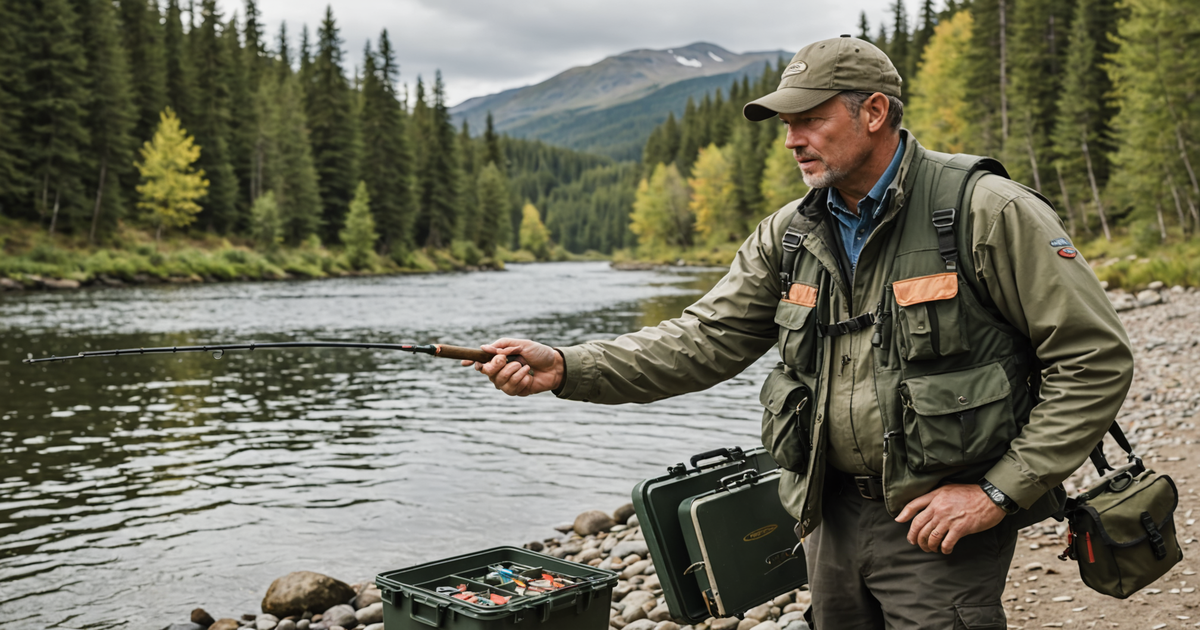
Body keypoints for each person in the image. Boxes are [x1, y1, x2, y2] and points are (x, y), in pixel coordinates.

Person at [465, 35, 1133, 629]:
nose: (791, 140)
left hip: (939, 519)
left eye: (810, 119)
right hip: (823, 514)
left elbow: (1093, 360)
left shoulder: (985, 210)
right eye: (786, 124)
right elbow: (703, 338)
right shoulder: (790, 233)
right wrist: (567, 365)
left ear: (874, 112)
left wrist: (999, 491)